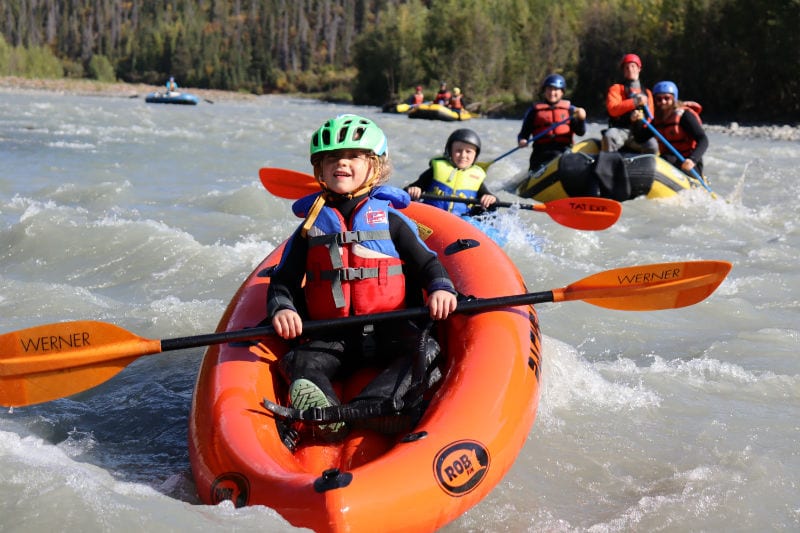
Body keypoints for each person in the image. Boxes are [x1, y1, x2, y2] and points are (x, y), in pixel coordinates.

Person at [267, 114, 458, 443]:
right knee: (299, 361)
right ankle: (327, 416)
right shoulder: (310, 227)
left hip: (390, 329)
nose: (341, 163)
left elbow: (428, 264)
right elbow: (282, 281)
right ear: (320, 170)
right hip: (334, 334)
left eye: (353, 156)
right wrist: (283, 308)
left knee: (427, 351)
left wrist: (441, 288)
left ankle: (373, 406)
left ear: (376, 167)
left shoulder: (391, 221)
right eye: (331, 158)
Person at [404, 128, 497, 215]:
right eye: (458, 151)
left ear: (475, 155)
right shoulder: (435, 170)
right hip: (431, 215)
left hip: (460, 220)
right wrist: (413, 190)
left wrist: (491, 199)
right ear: (450, 151)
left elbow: (492, 203)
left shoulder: (476, 178)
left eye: (468, 151)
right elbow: (408, 190)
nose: (463, 155)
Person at [632, 80, 709, 176]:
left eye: (667, 98)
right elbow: (640, 138)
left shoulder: (684, 116)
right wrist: (637, 121)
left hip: (689, 164)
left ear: (673, 99)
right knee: (661, 159)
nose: (663, 102)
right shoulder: (658, 120)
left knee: (665, 159)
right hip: (669, 160)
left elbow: (703, 139)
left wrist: (692, 159)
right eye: (659, 99)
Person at [516, 73, 587, 172]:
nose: (552, 93)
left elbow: (580, 132)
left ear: (562, 92)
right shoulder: (534, 111)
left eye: (556, 89)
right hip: (540, 154)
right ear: (544, 91)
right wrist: (522, 141)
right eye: (549, 89)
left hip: (563, 151)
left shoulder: (571, 111)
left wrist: (581, 120)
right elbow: (524, 134)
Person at [602, 53, 658, 154]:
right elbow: (613, 110)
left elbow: (650, 118)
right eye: (626, 67)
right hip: (620, 130)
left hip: (639, 134)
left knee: (653, 145)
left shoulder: (647, 93)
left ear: (639, 69)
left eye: (633, 66)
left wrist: (640, 119)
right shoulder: (616, 89)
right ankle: (608, 162)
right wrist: (634, 102)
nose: (630, 69)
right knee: (609, 136)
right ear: (623, 71)